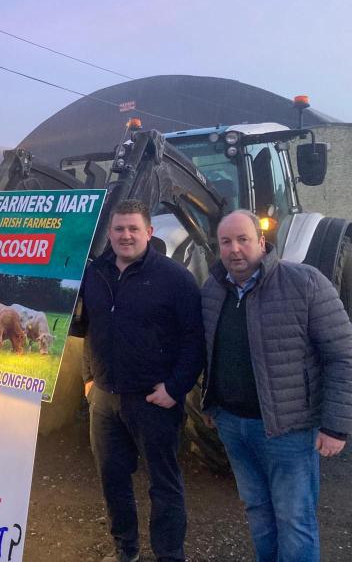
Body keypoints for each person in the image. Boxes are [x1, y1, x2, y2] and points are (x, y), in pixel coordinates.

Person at [201, 210, 352, 562]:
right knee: (257, 510)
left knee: (294, 518)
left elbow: (343, 356)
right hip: (232, 425)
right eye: (226, 242)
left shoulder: (304, 283)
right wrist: (211, 403)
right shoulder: (213, 289)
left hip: (288, 430)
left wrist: (335, 427)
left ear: (261, 241)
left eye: (243, 240)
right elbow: (210, 350)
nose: (234, 249)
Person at [82, 199, 205, 562]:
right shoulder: (95, 274)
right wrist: (89, 378)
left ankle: (169, 554)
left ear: (149, 232)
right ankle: (126, 549)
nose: (126, 235)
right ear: (109, 233)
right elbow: (90, 329)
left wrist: (175, 388)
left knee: (163, 483)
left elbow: (194, 339)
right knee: (112, 479)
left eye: (133, 228)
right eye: (119, 228)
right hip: (104, 399)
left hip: (153, 400)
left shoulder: (175, 278)